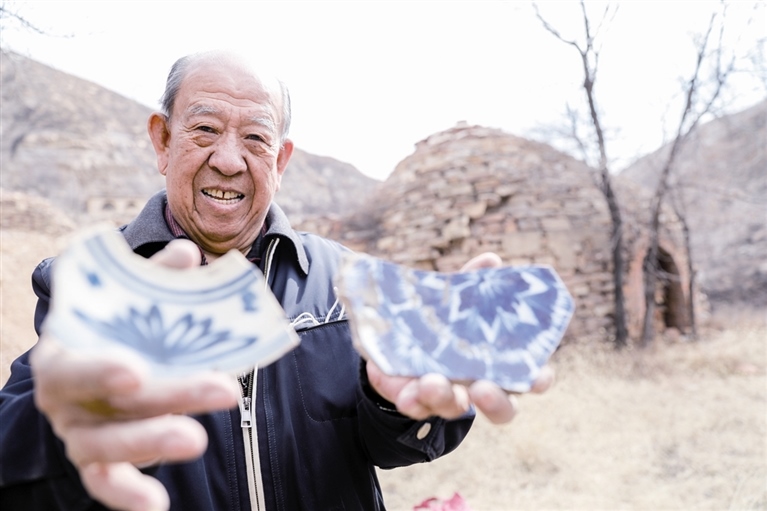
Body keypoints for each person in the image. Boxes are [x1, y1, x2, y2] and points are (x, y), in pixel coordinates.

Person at [0, 51, 553, 511]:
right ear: (163, 142)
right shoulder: (88, 284)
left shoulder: (342, 281)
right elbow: (11, 447)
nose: (228, 160)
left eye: (255, 138)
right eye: (205, 129)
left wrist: (401, 404)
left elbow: (392, 443)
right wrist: (59, 433)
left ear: (281, 160)